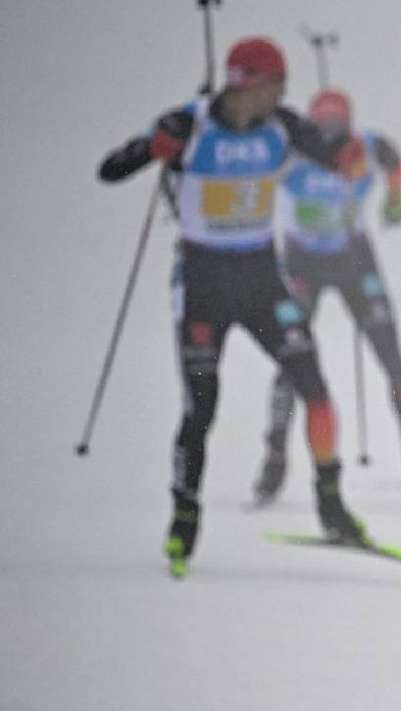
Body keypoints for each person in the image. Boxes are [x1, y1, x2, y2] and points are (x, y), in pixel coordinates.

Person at [97, 37, 374, 578]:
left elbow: (338, 158)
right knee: (201, 407)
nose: (282, 95)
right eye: (276, 85)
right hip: (203, 282)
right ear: (249, 83)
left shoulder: (284, 127)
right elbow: (111, 169)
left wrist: (350, 160)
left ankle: (332, 506)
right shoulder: (190, 123)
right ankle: (184, 516)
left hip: (260, 279)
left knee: (315, 388)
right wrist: (155, 147)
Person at [252, 87, 401, 506]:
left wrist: (395, 203)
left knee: (393, 357)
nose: (330, 139)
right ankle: (274, 456)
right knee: (292, 360)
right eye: (321, 129)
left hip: (353, 261)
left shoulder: (365, 146)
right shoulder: (292, 154)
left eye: (337, 129)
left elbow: (394, 161)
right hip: (302, 264)